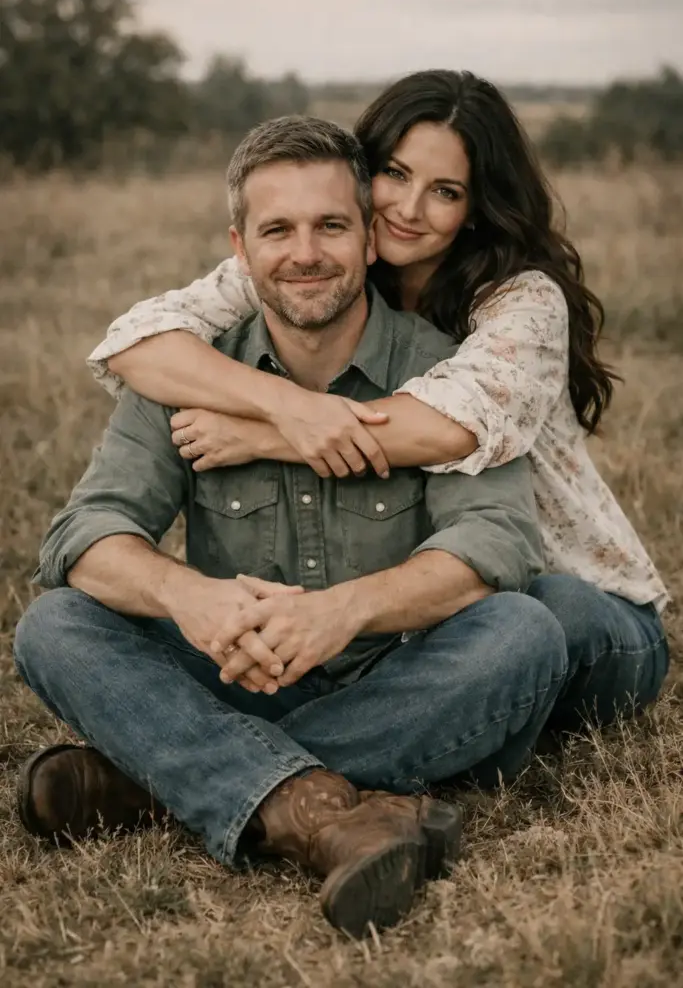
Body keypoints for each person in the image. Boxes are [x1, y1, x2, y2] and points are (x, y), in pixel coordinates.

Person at [15, 116, 557, 938]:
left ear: (370, 238)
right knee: (54, 624)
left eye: (330, 225)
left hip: (395, 675)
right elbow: (87, 532)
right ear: (240, 246)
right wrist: (189, 597)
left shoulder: (443, 370)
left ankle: (154, 782)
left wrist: (342, 610)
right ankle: (324, 812)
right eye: (278, 229)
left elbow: (492, 546)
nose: (305, 252)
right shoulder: (187, 366)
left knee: (523, 633)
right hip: (227, 666)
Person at [87, 70, 669, 731]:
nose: (408, 208)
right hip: (434, 607)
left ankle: (215, 766)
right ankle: (340, 753)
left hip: (574, 597)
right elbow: (134, 344)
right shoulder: (320, 259)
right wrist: (283, 403)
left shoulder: (520, 302)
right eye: (395, 174)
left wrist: (263, 434)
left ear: (475, 206)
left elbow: (447, 427)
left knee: (537, 613)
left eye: (444, 191)